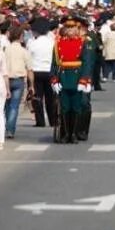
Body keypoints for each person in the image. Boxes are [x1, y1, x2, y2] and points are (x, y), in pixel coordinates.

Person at [50, 14, 95, 144]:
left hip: (77, 78)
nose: (70, 30)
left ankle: (74, 134)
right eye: (67, 27)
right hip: (63, 77)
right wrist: (54, 79)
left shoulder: (83, 43)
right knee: (64, 107)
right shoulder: (58, 44)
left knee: (76, 107)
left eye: (73, 27)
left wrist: (84, 79)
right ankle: (65, 134)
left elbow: (86, 62)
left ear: (77, 29)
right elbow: (54, 63)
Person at [3, 23, 33, 139]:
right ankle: (10, 129)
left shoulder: (5, 50)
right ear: (20, 36)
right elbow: (30, 69)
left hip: (5, 79)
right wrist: (32, 85)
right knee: (14, 106)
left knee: (7, 105)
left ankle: (6, 127)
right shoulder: (24, 51)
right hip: (19, 80)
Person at [28, 18, 57, 129]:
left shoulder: (32, 43)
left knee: (37, 97)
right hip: (49, 71)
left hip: (36, 71)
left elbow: (29, 58)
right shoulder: (52, 42)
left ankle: (40, 121)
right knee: (51, 98)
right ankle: (52, 120)